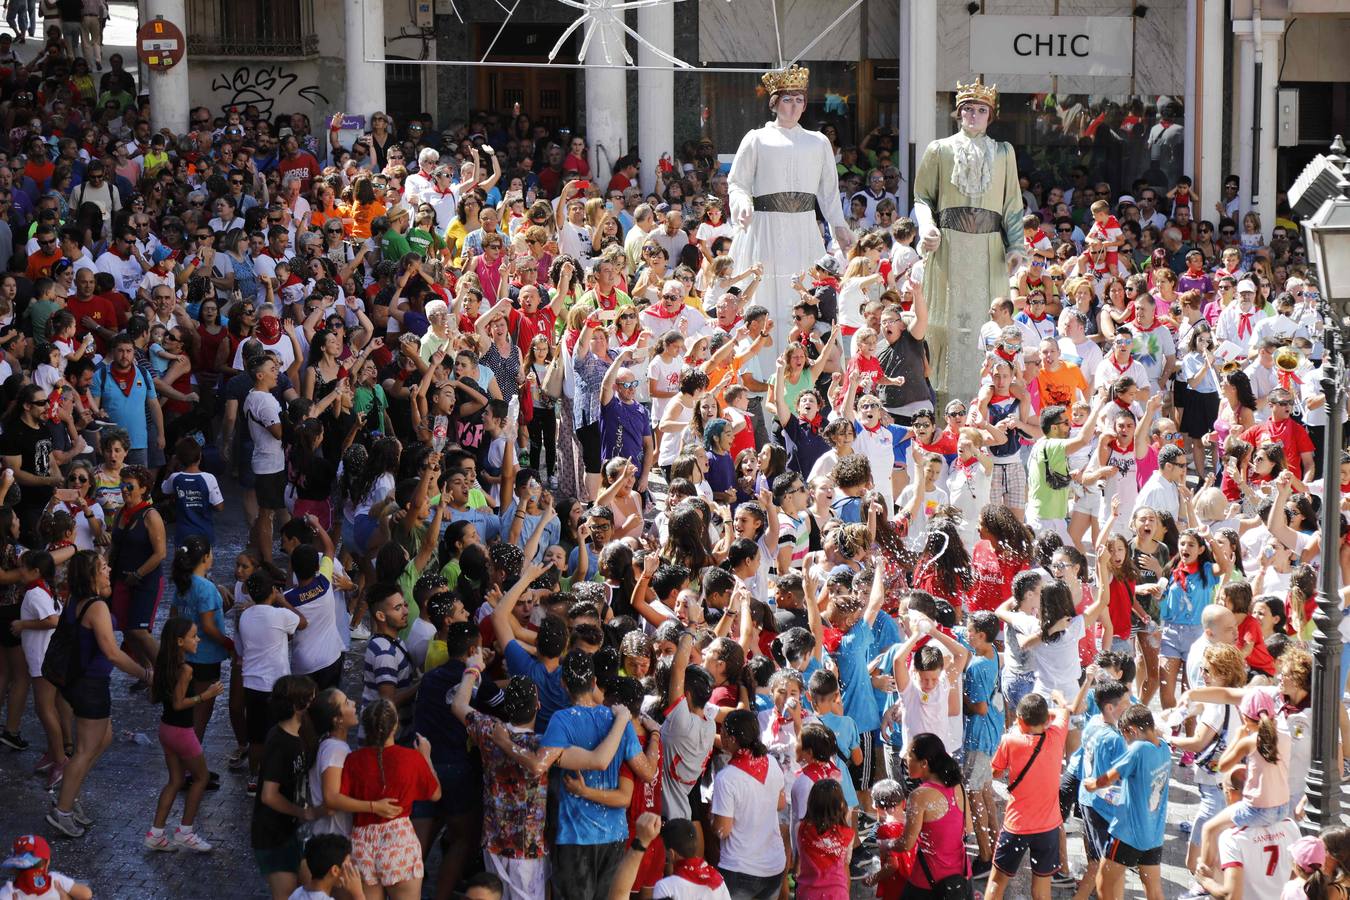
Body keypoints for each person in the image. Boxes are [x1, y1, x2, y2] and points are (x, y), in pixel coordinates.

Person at [912, 77, 1025, 401]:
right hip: (949, 248)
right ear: (958, 113)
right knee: (943, 324)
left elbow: (1013, 206)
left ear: (990, 115)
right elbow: (922, 198)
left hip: (989, 250)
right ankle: (940, 406)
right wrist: (927, 227)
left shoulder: (1004, 152)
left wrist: (1016, 245)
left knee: (986, 325)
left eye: (981, 110)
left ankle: (988, 401)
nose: (974, 115)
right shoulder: (940, 149)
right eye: (968, 110)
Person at [727, 65, 853, 351]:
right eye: (787, 99)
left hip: (804, 227)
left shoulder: (818, 141)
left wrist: (840, 228)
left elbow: (829, 194)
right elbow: (737, 183)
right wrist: (743, 203)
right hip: (766, 226)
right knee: (766, 292)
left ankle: (805, 358)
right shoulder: (756, 138)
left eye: (799, 99)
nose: (793, 106)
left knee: (805, 291)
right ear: (774, 102)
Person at [48, 551, 152, 838]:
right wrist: (145, 674)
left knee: (102, 739)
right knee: (84, 750)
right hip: (90, 685)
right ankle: (63, 810)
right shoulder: (96, 608)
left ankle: (71, 795)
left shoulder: (75, 601)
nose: (109, 571)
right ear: (91, 576)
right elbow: (112, 652)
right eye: (103, 567)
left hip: (82, 682)